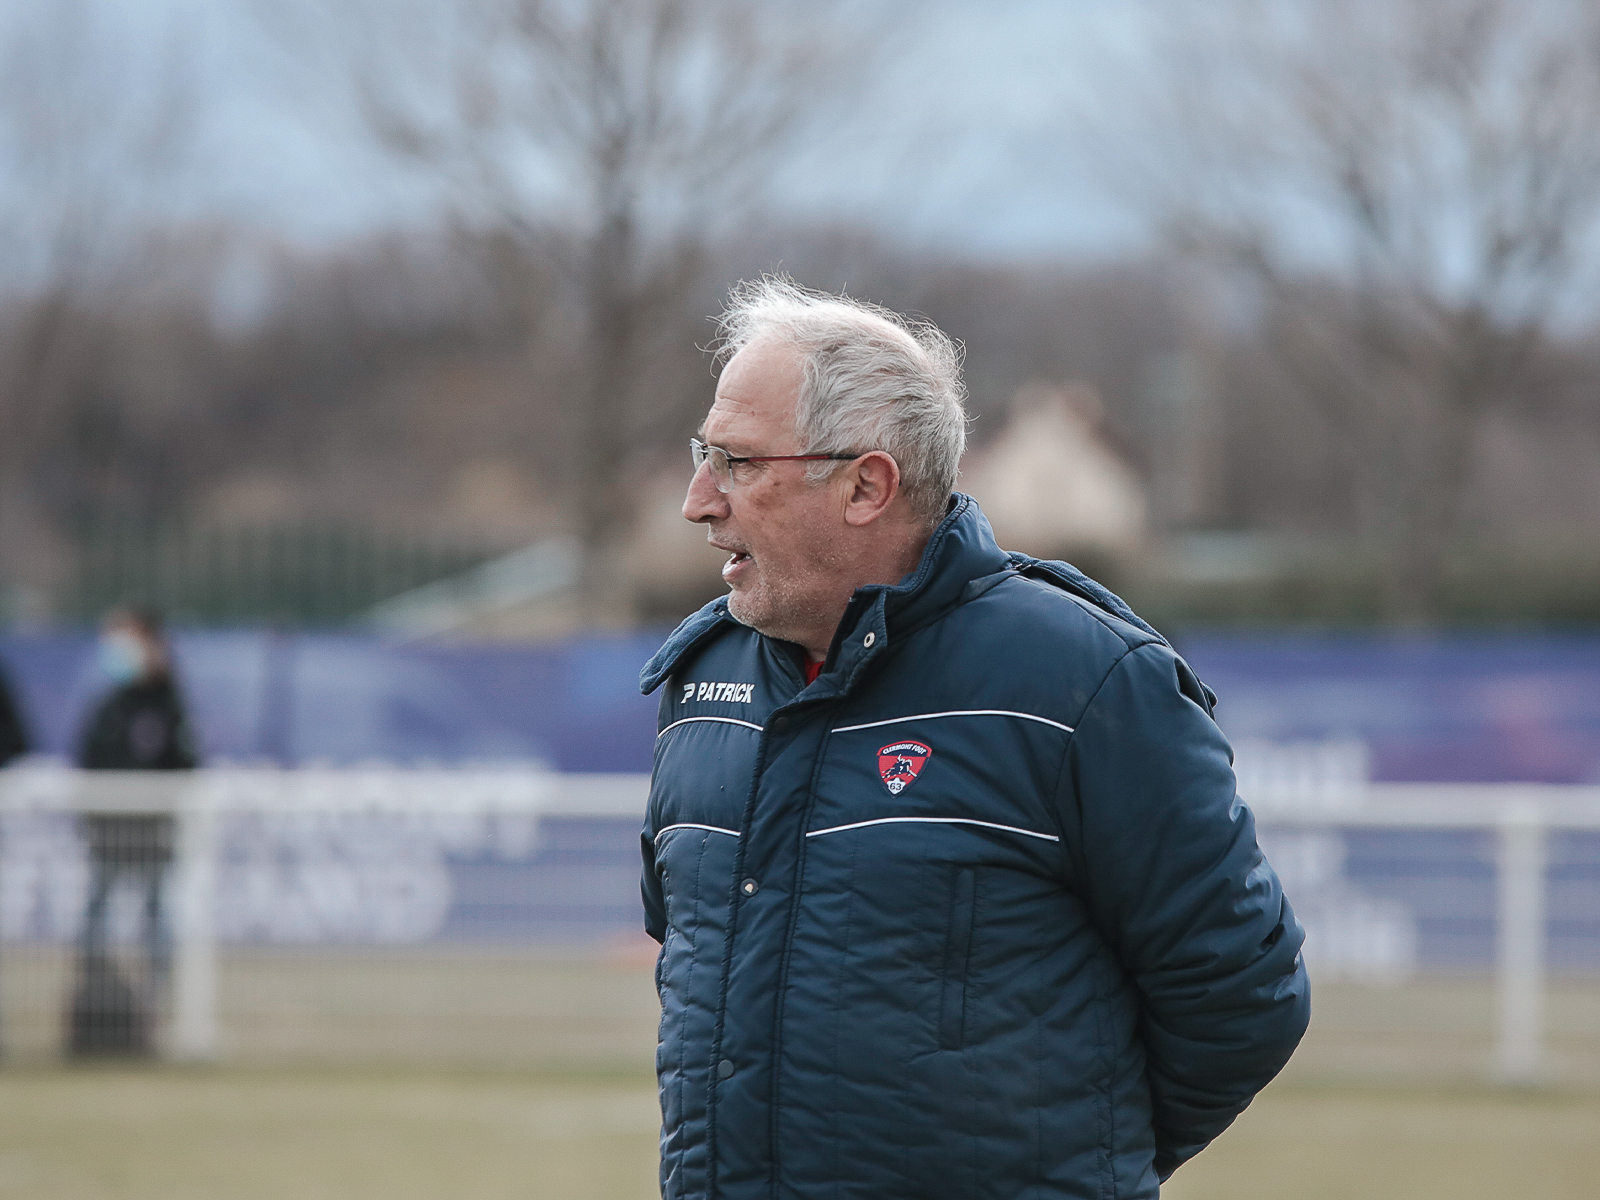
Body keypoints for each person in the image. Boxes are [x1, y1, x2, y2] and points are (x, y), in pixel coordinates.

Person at [638, 278, 1310, 1199]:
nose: (698, 500)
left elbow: (1240, 995)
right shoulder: (704, 688)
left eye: (739, 462)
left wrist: (1072, 1161)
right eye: (702, 456)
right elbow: (691, 968)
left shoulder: (1083, 680)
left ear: (866, 485)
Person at [70, 606, 198, 1055]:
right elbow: (86, 762)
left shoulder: (167, 704)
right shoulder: (107, 704)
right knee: (94, 920)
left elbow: (187, 764)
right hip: (106, 835)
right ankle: (96, 1005)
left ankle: (149, 1014)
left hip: (151, 834)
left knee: (155, 919)